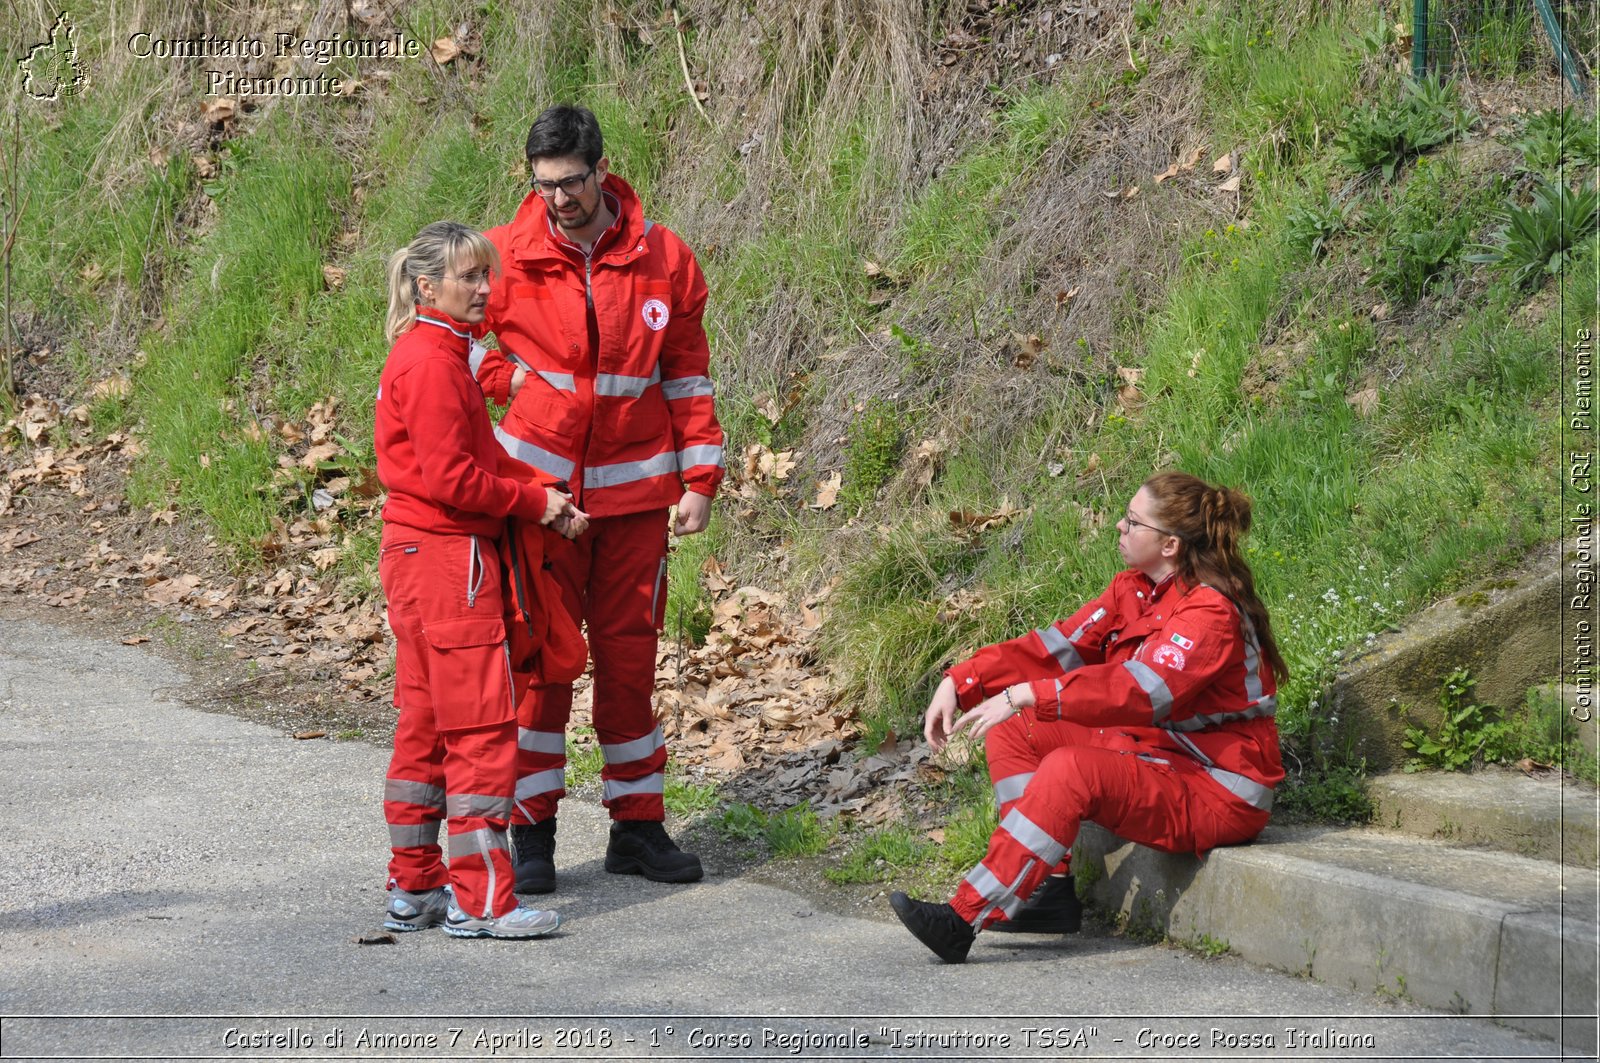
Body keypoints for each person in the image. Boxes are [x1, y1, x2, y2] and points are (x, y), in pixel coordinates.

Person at [474, 105, 726, 892]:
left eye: (571, 183)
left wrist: (701, 479)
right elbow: (459, 343)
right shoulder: (503, 257)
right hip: (541, 505)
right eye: (543, 186)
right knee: (544, 668)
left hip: (636, 506)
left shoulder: (665, 259)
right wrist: (508, 380)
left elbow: (686, 373)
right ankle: (533, 833)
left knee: (628, 667)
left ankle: (638, 829)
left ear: (601, 168)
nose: (558, 200)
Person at [891, 471, 1287, 963]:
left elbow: (1139, 692)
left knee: (1069, 768)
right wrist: (961, 680)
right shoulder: (1134, 591)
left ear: (1169, 545)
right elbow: (1053, 651)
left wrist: (1033, 694)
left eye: (1132, 522)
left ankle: (964, 917)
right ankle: (1044, 891)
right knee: (1018, 729)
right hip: (1158, 755)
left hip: (1219, 788)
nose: (1119, 528)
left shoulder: (1209, 613)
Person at [375, 221, 588, 939]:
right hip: (448, 560)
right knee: (481, 728)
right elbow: (455, 478)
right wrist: (536, 502)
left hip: (417, 557)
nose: (484, 290)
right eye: (470, 277)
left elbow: (479, 459)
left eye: (486, 276)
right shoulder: (435, 363)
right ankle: (484, 899)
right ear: (427, 285)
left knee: (427, 725)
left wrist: (539, 490)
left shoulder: (432, 353)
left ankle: (416, 887)